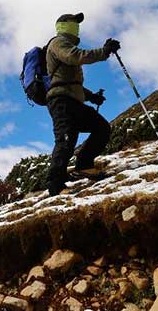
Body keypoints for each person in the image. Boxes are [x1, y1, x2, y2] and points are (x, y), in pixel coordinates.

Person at [45, 12, 120, 196]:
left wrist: (91, 96)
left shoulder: (65, 45)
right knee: (65, 141)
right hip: (61, 101)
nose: (77, 27)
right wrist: (103, 52)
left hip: (73, 100)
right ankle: (55, 187)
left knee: (101, 127)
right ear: (63, 25)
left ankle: (84, 165)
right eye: (73, 23)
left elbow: (70, 83)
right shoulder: (58, 43)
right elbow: (75, 57)